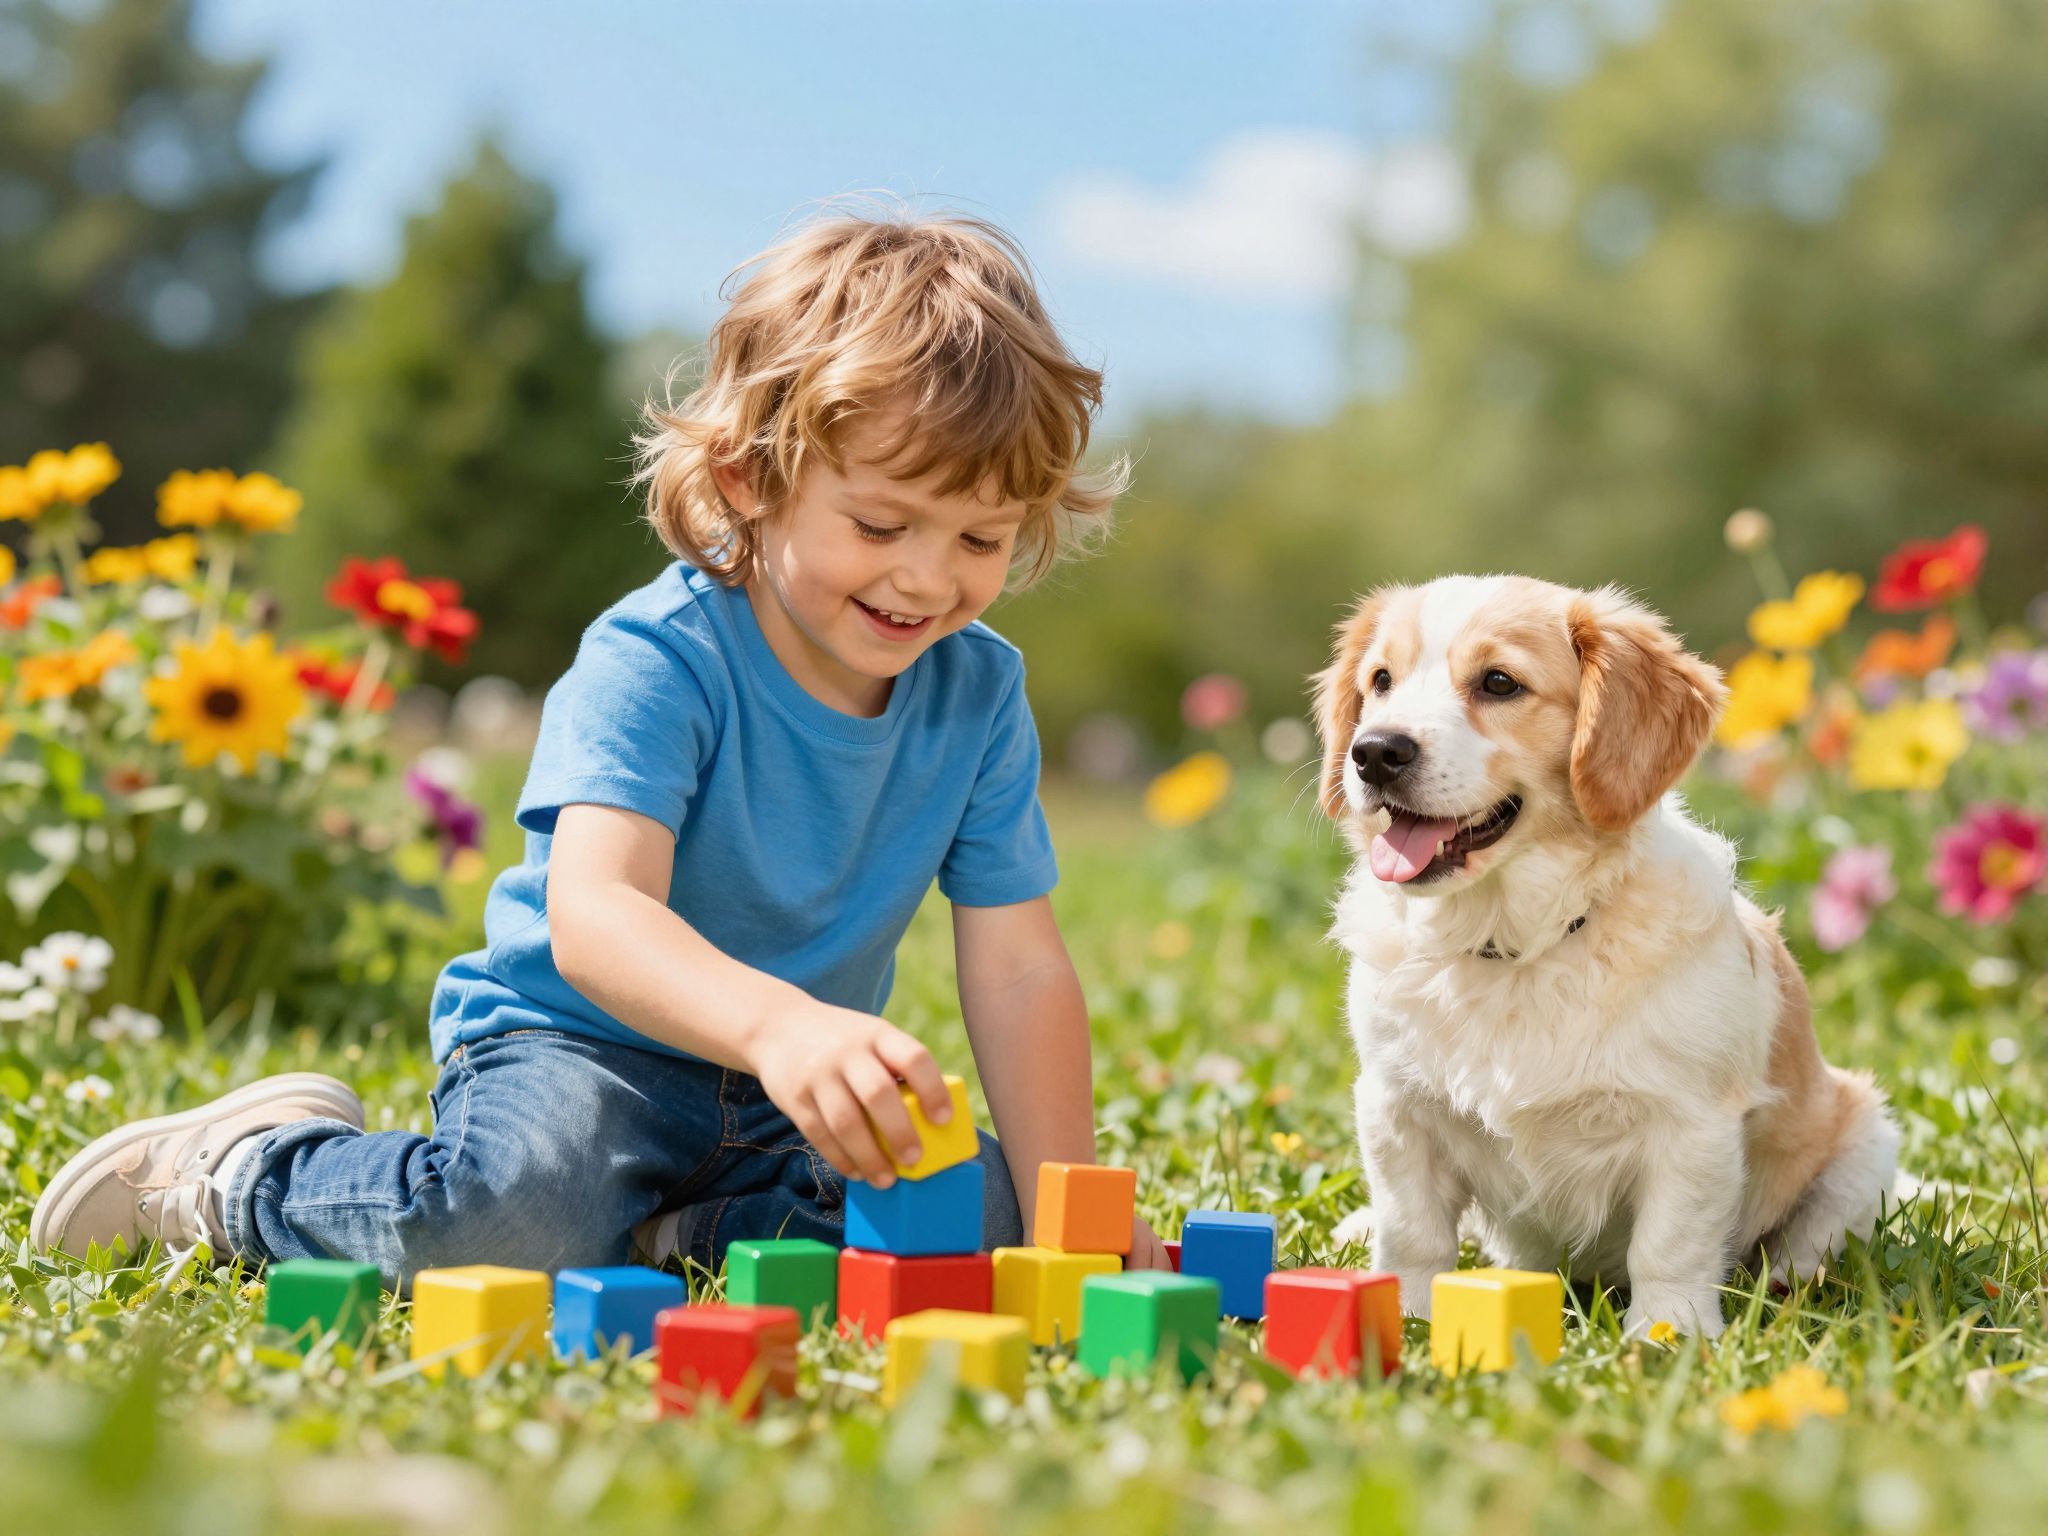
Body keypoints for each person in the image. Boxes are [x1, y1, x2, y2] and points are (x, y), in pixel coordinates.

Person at [31, 207, 1175, 1283]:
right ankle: (237, 1177)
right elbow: (597, 920)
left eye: (981, 536)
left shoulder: (976, 694)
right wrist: (779, 1023)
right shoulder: (661, 655)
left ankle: (669, 1230)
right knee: (509, 1215)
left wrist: (1066, 1205)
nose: (928, 577)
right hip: (580, 1053)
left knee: (980, 1219)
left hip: (785, 1108)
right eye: (880, 523)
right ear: (749, 479)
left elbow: (1019, 966)